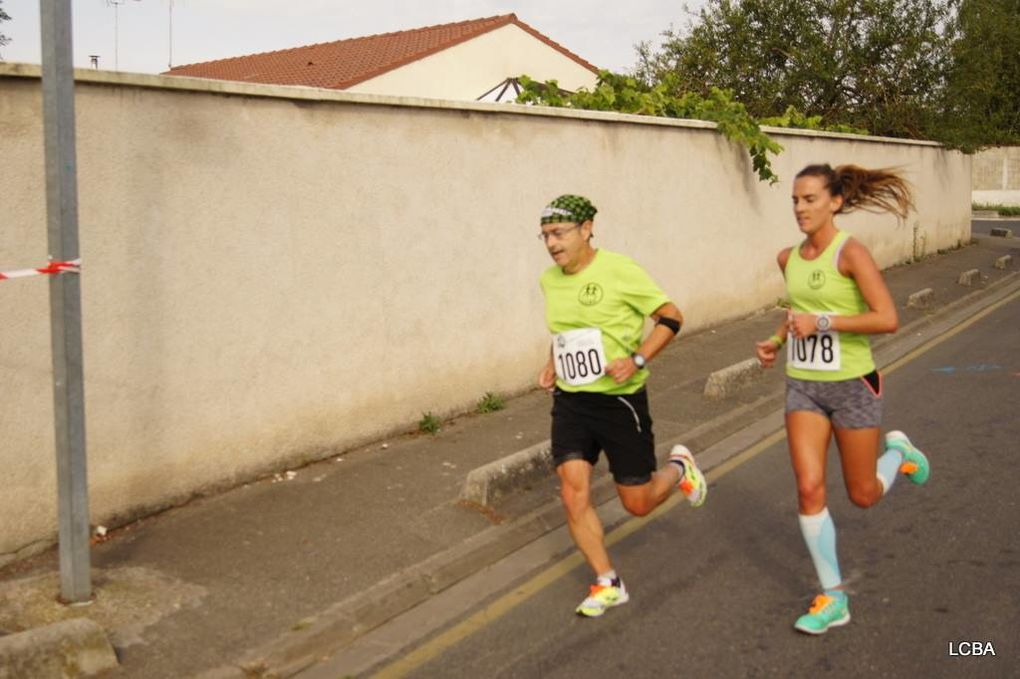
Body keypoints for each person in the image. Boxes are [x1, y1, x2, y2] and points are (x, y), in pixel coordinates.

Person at [755, 164, 931, 635]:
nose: (799, 208)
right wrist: (776, 339)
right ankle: (833, 598)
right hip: (804, 387)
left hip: (854, 386)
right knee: (809, 488)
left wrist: (826, 323)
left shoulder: (850, 253)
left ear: (834, 202)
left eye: (809, 199)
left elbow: (887, 317)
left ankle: (899, 455)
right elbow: (798, 312)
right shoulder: (787, 258)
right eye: (795, 200)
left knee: (863, 495)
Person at [536, 194, 707, 618]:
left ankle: (679, 469)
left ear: (587, 228)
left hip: (620, 402)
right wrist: (553, 363)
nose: (552, 244)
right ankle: (606, 581)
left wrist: (637, 360)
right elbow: (566, 331)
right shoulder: (549, 280)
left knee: (638, 503)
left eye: (559, 233)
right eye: (545, 236)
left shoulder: (620, 270)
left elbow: (671, 317)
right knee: (572, 491)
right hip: (572, 402)